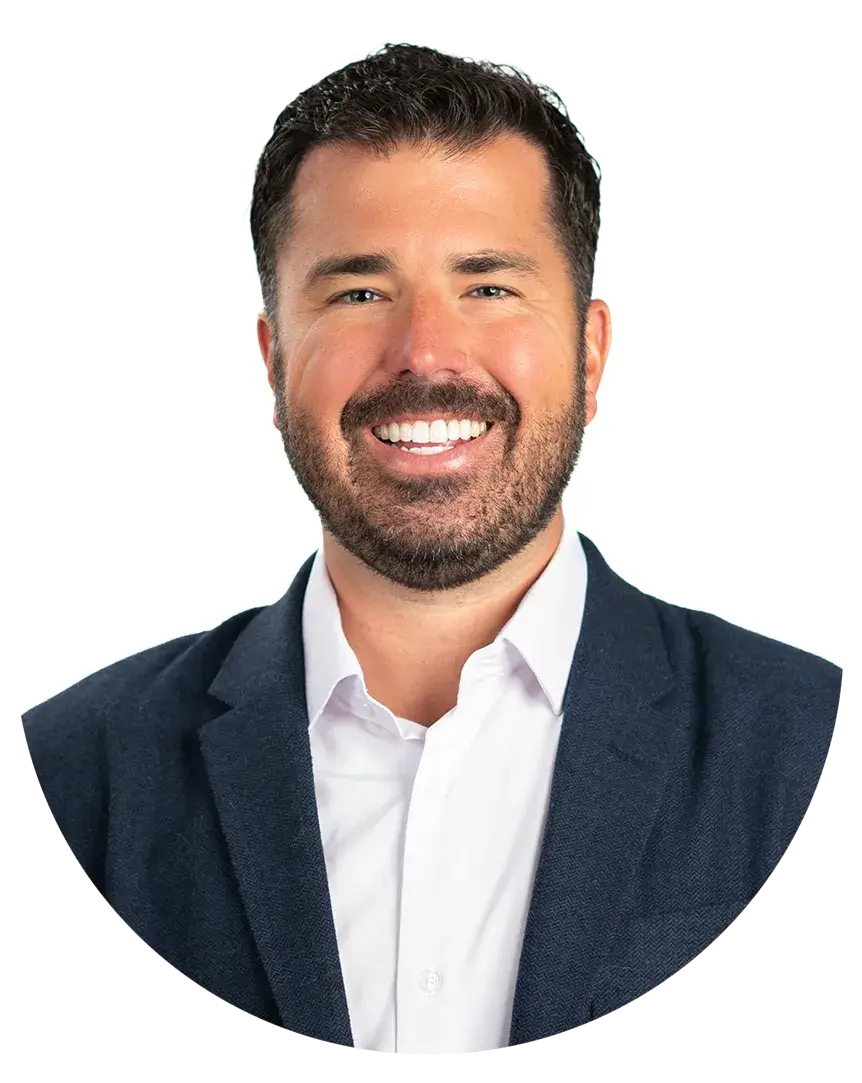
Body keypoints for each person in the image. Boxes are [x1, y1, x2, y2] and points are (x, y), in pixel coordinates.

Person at [20, 40, 843, 1056]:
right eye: (359, 292)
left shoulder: (815, 750)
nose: (425, 354)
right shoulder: (67, 777)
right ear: (275, 359)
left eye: (488, 286)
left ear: (589, 352)